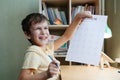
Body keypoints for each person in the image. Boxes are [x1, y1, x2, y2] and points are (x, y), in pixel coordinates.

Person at [18, 12, 92, 80]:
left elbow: (66, 37)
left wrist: (78, 18)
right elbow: (22, 78)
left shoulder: (47, 47)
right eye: (38, 28)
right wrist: (46, 74)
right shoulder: (33, 52)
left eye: (45, 28)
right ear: (28, 34)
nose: (43, 32)